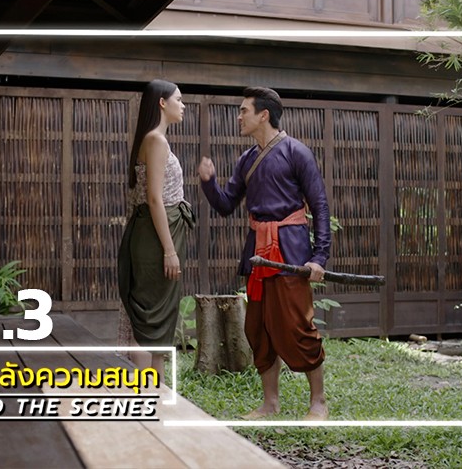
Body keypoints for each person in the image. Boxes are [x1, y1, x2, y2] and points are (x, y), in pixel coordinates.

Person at [197, 86, 331, 421]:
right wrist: (209, 183)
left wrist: (319, 257)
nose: (239, 116)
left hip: (291, 251)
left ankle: (318, 402)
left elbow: (319, 205)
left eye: (244, 110)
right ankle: (270, 403)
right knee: (258, 329)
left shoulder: (297, 152)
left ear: (264, 115)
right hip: (257, 251)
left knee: (298, 326)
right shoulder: (246, 159)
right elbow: (226, 205)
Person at [118, 79, 194, 379]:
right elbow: (154, 198)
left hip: (155, 231)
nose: (183, 105)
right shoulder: (156, 141)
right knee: (149, 317)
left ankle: (157, 390)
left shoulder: (152, 139)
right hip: (156, 235)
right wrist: (169, 251)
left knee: (157, 316)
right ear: (162, 103)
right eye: (179, 99)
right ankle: (145, 390)